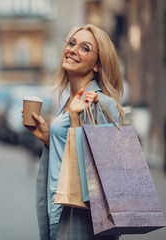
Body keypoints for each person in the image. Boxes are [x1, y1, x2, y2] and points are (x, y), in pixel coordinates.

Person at [23, 24, 126, 240]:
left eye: (85, 48)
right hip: (57, 210)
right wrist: (48, 138)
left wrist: (74, 120)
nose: (73, 49)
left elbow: (102, 180)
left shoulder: (101, 105)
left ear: (98, 65)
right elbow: (69, 156)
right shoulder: (69, 102)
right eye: (71, 43)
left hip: (81, 220)